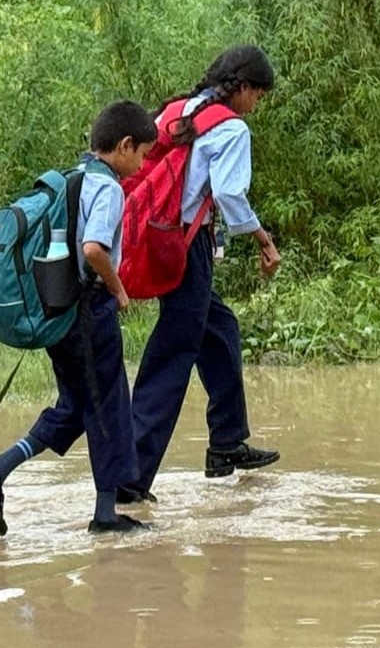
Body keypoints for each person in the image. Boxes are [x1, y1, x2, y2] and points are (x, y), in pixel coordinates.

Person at [0, 100, 157, 534]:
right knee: (109, 406)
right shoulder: (108, 188)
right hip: (90, 313)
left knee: (75, 407)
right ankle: (106, 514)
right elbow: (93, 249)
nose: (143, 163)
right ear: (124, 146)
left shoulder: (73, 178)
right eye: (142, 154)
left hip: (61, 313)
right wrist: (119, 289)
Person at [118, 45, 282, 505]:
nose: (257, 105)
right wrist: (264, 240)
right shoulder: (231, 128)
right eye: (259, 95)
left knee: (220, 329)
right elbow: (230, 195)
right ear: (244, 87)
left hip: (166, 238)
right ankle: (129, 481)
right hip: (188, 248)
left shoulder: (184, 109)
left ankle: (226, 443)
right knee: (171, 358)